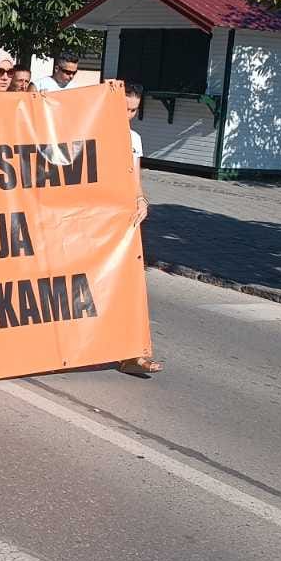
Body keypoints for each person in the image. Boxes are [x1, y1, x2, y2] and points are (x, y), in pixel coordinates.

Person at [118, 82, 163, 376]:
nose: (128, 115)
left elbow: (135, 175)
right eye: (123, 108)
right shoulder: (88, 129)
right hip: (89, 219)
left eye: (133, 110)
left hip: (122, 218)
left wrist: (141, 200)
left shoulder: (133, 138)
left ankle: (133, 354)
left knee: (128, 285)